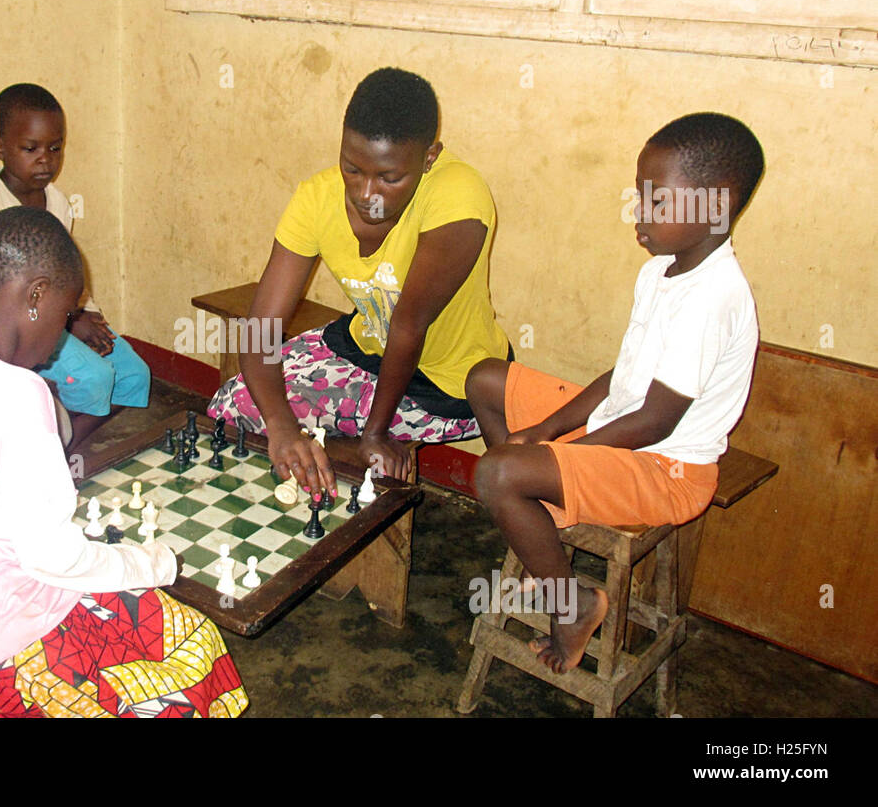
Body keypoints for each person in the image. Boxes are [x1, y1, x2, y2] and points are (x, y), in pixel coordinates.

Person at [0, 206, 248, 718]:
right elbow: (56, 559)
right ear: (37, 296)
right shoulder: (17, 397)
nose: (63, 335)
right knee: (193, 647)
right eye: (66, 316)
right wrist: (152, 563)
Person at [465, 112, 764, 675]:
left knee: (497, 474)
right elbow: (621, 378)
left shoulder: (714, 297)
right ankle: (538, 524)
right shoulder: (661, 273)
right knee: (485, 379)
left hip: (665, 469)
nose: (639, 216)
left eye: (658, 203)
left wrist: (554, 457)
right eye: (640, 197)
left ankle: (571, 602)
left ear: (716, 208)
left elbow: (654, 422)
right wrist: (548, 431)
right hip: (624, 429)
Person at [208, 67, 509, 494]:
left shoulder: (458, 195)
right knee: (232, 409)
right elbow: (261, 328)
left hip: (444, 381)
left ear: (429, 157)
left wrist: (375, 433)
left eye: (389, 178)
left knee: (346, 458)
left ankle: (345, 476)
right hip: (362, 348)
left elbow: (409, 325)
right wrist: (282, 428)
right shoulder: (316, 197)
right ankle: (310, 513)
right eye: (352, 168)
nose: (367, 193)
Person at [0, 83, 151, 452]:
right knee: (97, 379)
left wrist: (84, 315)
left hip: (66, 317)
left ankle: (65, 443)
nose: (46, 160)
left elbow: (64, 274)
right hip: (24, 330)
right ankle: (55, 449)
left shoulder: (58, 201)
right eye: (30, 148)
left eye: (55, 148)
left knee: (135, 375)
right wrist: (71, 324)